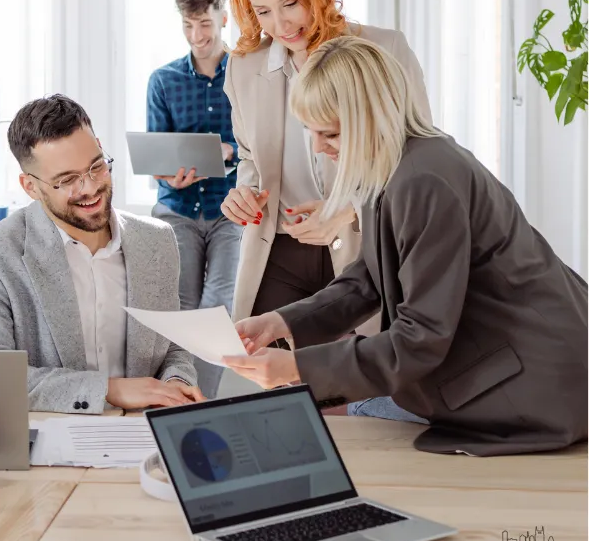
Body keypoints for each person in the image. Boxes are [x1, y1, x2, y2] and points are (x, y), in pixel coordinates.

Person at [225, 36, 588, 456]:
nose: (319, 147)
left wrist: (298, 367)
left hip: (534, 382)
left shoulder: (423, 181)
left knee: (328, 416)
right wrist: (280, 323)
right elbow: (369, 279)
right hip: (524, 362)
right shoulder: (399, 164)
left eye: (331, 133)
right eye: (311, 131)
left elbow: (421, 335)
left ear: (370, 119)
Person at [221, 0, 432, 333]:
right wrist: (244, 194)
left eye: (290, 3)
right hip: (279, 247)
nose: (280, 25)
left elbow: (418, 155)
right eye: (263, 11)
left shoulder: (384, 49)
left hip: (362, 242)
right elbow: (249, 155)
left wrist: (348, 208)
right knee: (276, 377)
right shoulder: (245, 67)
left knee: (358, 380)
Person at [0, 95, 202, 414]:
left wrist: (175, 382)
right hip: (52, 440)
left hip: (143, 431)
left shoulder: (157, 239)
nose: (89, 188)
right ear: (30, 186)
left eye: (96, 166)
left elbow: (172, 345)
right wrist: (109, 390)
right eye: (68, 180)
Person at [147, 0, 242, 397]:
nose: (197, 35)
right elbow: (156, 155)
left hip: (230, 208)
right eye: (189, 25)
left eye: (205, 24)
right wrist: (168, 174)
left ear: (223, 17)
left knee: (218, 307)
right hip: (178, 209)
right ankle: (181, 395)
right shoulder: (163, 80)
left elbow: (266, 142)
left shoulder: (246, 75)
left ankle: (200, 401)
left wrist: (229, 151)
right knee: (181, 309)